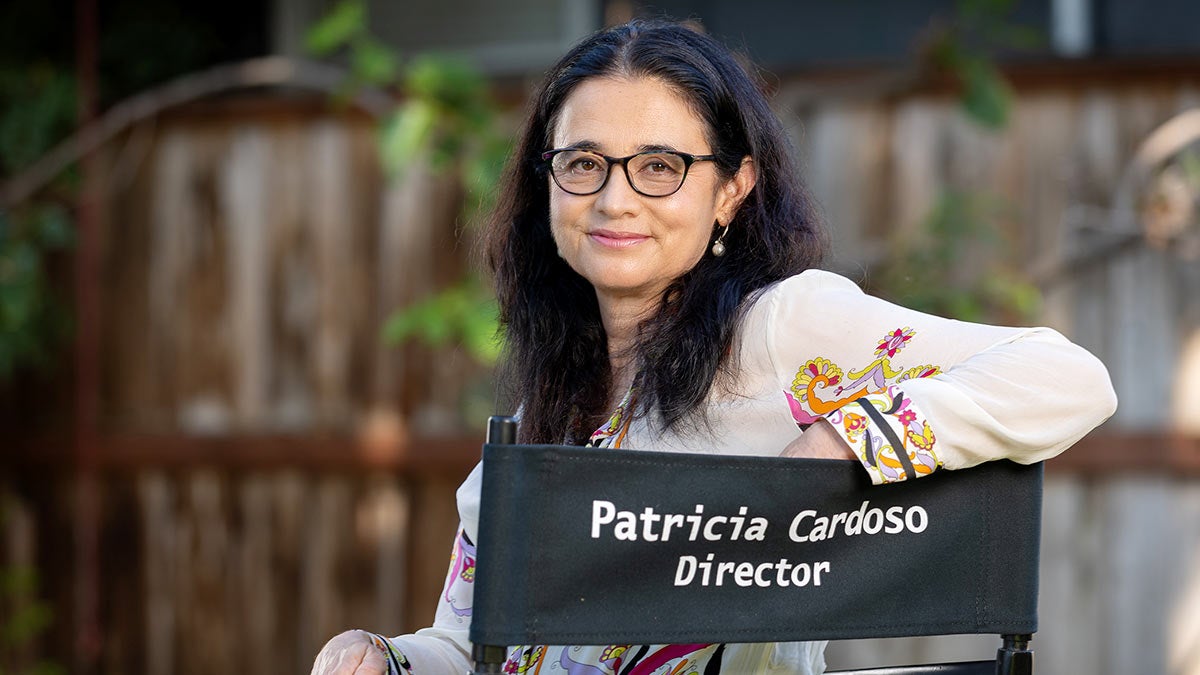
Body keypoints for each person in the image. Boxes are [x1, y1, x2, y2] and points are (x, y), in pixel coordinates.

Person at [311, 18, 1117, 675]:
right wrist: (383, 657)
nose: (614, 198)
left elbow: (1067, 377)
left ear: (731, 189)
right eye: (583, 163)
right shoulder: (544, 415)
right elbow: (472, 645)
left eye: (659, 166)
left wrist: (847, 434)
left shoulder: (781, 331)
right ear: (546, 183)